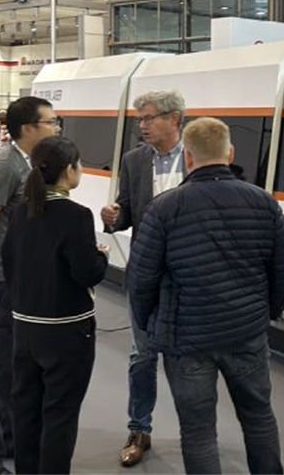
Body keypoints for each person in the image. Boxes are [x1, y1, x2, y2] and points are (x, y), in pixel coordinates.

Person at [129, 117, 284, 475]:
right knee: (258, 416)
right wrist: (266, 313)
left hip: (186, 340)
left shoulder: (164, 207)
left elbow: (141, 279)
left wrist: (148, 324)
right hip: (246, 333)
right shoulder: (263, 202)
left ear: (187, 157)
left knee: (198, 431)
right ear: (230, 153)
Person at [0, 96, 60, 475]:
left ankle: (9, 441)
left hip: (21, 282)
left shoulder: (30, 164)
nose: (56, 128)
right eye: (50, 122)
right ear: (28, 128)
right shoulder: (5, 166)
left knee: (18, 371)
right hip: (0, 283)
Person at [2, 136, 110, 474]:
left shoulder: (21, 212)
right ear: (69, 170)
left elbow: (8, 263)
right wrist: (101, 257)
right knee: (60, 414)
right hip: (67, 331)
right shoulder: (76, 215)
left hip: (24, 327)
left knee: (26, 410)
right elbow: (86, 273)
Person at [100, 89, 186, 467]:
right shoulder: (134, 161)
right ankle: (139, 430)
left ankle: (196, 433)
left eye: (149, 118)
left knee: (187, 360)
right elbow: (127, 212)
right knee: (142, 357)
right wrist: (113, 217)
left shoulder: (197, 156)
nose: (142, 126)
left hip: (188, 279)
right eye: (140, 120)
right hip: (145, 278)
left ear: (174, 119)